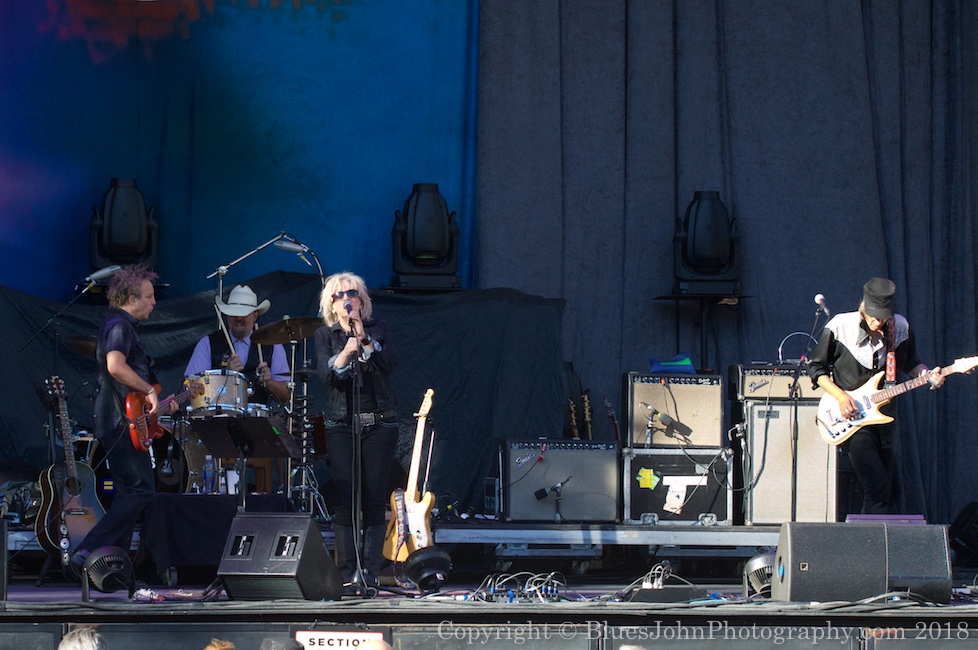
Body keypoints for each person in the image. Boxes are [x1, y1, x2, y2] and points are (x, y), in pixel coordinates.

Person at [70, 265, 178, 576]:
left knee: (131, 494)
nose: (154, 302)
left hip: (125, 418)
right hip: (120, 421)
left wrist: (156, 405)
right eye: (149, 296)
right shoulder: (119, 325)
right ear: (132, 298)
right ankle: (87, 552)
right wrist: (148, 390)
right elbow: (115, 366)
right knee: (140, 491)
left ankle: (107, 568)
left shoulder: (121, 326)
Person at [808, 277, 944, 514]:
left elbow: (912, 363)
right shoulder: (840, 327)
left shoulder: (899, 328)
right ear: (862, 304)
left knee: (887, 491)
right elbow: (816, 368)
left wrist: (928, 374)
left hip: (885, 420)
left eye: (882, 316)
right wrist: (840, 397)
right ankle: (870, 547)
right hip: (852, 420)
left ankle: (870, 542)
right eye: (872, 314)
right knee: (877, 487)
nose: (876, 321)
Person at [314, 272, 398, 590]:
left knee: (374, 499)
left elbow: (390, 364)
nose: (346, 299)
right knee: (346, 498)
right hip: (340, 423)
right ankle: (347, 571)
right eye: (339, 295)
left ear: (362, 301)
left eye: (353, 293)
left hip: (379, 422)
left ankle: (370, 572)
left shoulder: (379, 330)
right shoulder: (325, 335)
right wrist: (348, 349)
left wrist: (364, 340)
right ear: (332, 305)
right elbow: (329, 375)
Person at [184, 284, 291, 406]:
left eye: (244, 314)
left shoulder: (272, 345)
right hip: (216, 420)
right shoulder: (208, 344)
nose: (239, 318)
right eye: (234, 313)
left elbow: (286, 395)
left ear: (255, 315)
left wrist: (270, 382)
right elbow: (190, 390)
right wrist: (225, 378)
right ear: (227, 315)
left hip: (258, 422)